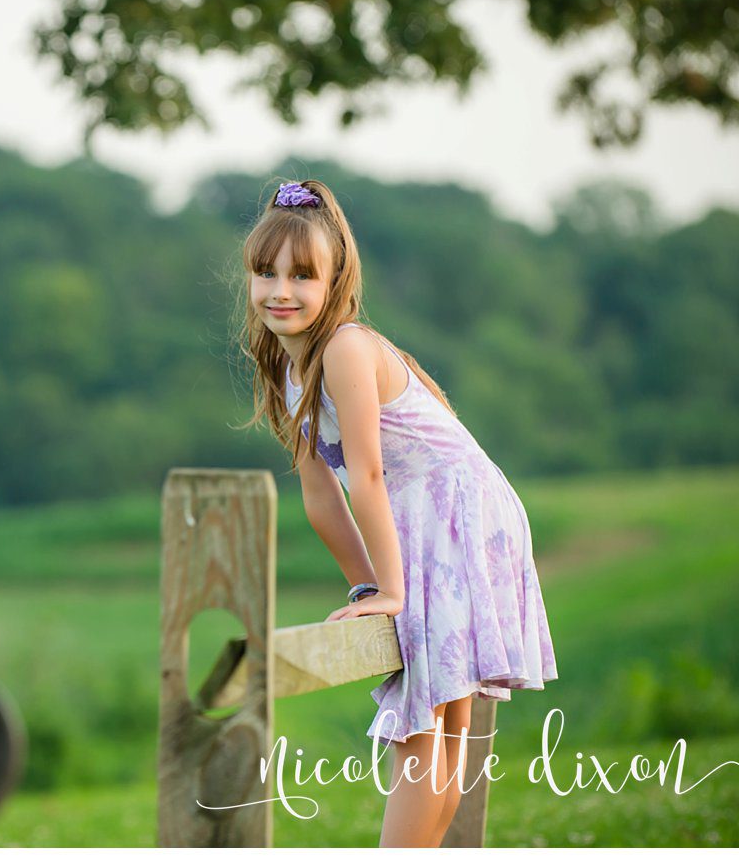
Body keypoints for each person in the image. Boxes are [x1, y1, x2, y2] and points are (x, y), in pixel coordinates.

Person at [238, 179, 556, 847]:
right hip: (422, 522)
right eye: (265, 273)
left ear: (336, 282)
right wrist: (369, 587)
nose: (280, 290)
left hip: (456, 511)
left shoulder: (348, 350)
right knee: (440, 720)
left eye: (302, 274)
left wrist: (392, 589)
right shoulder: (288, 371)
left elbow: (371, 475)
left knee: (427, 719)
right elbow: (324, 497)